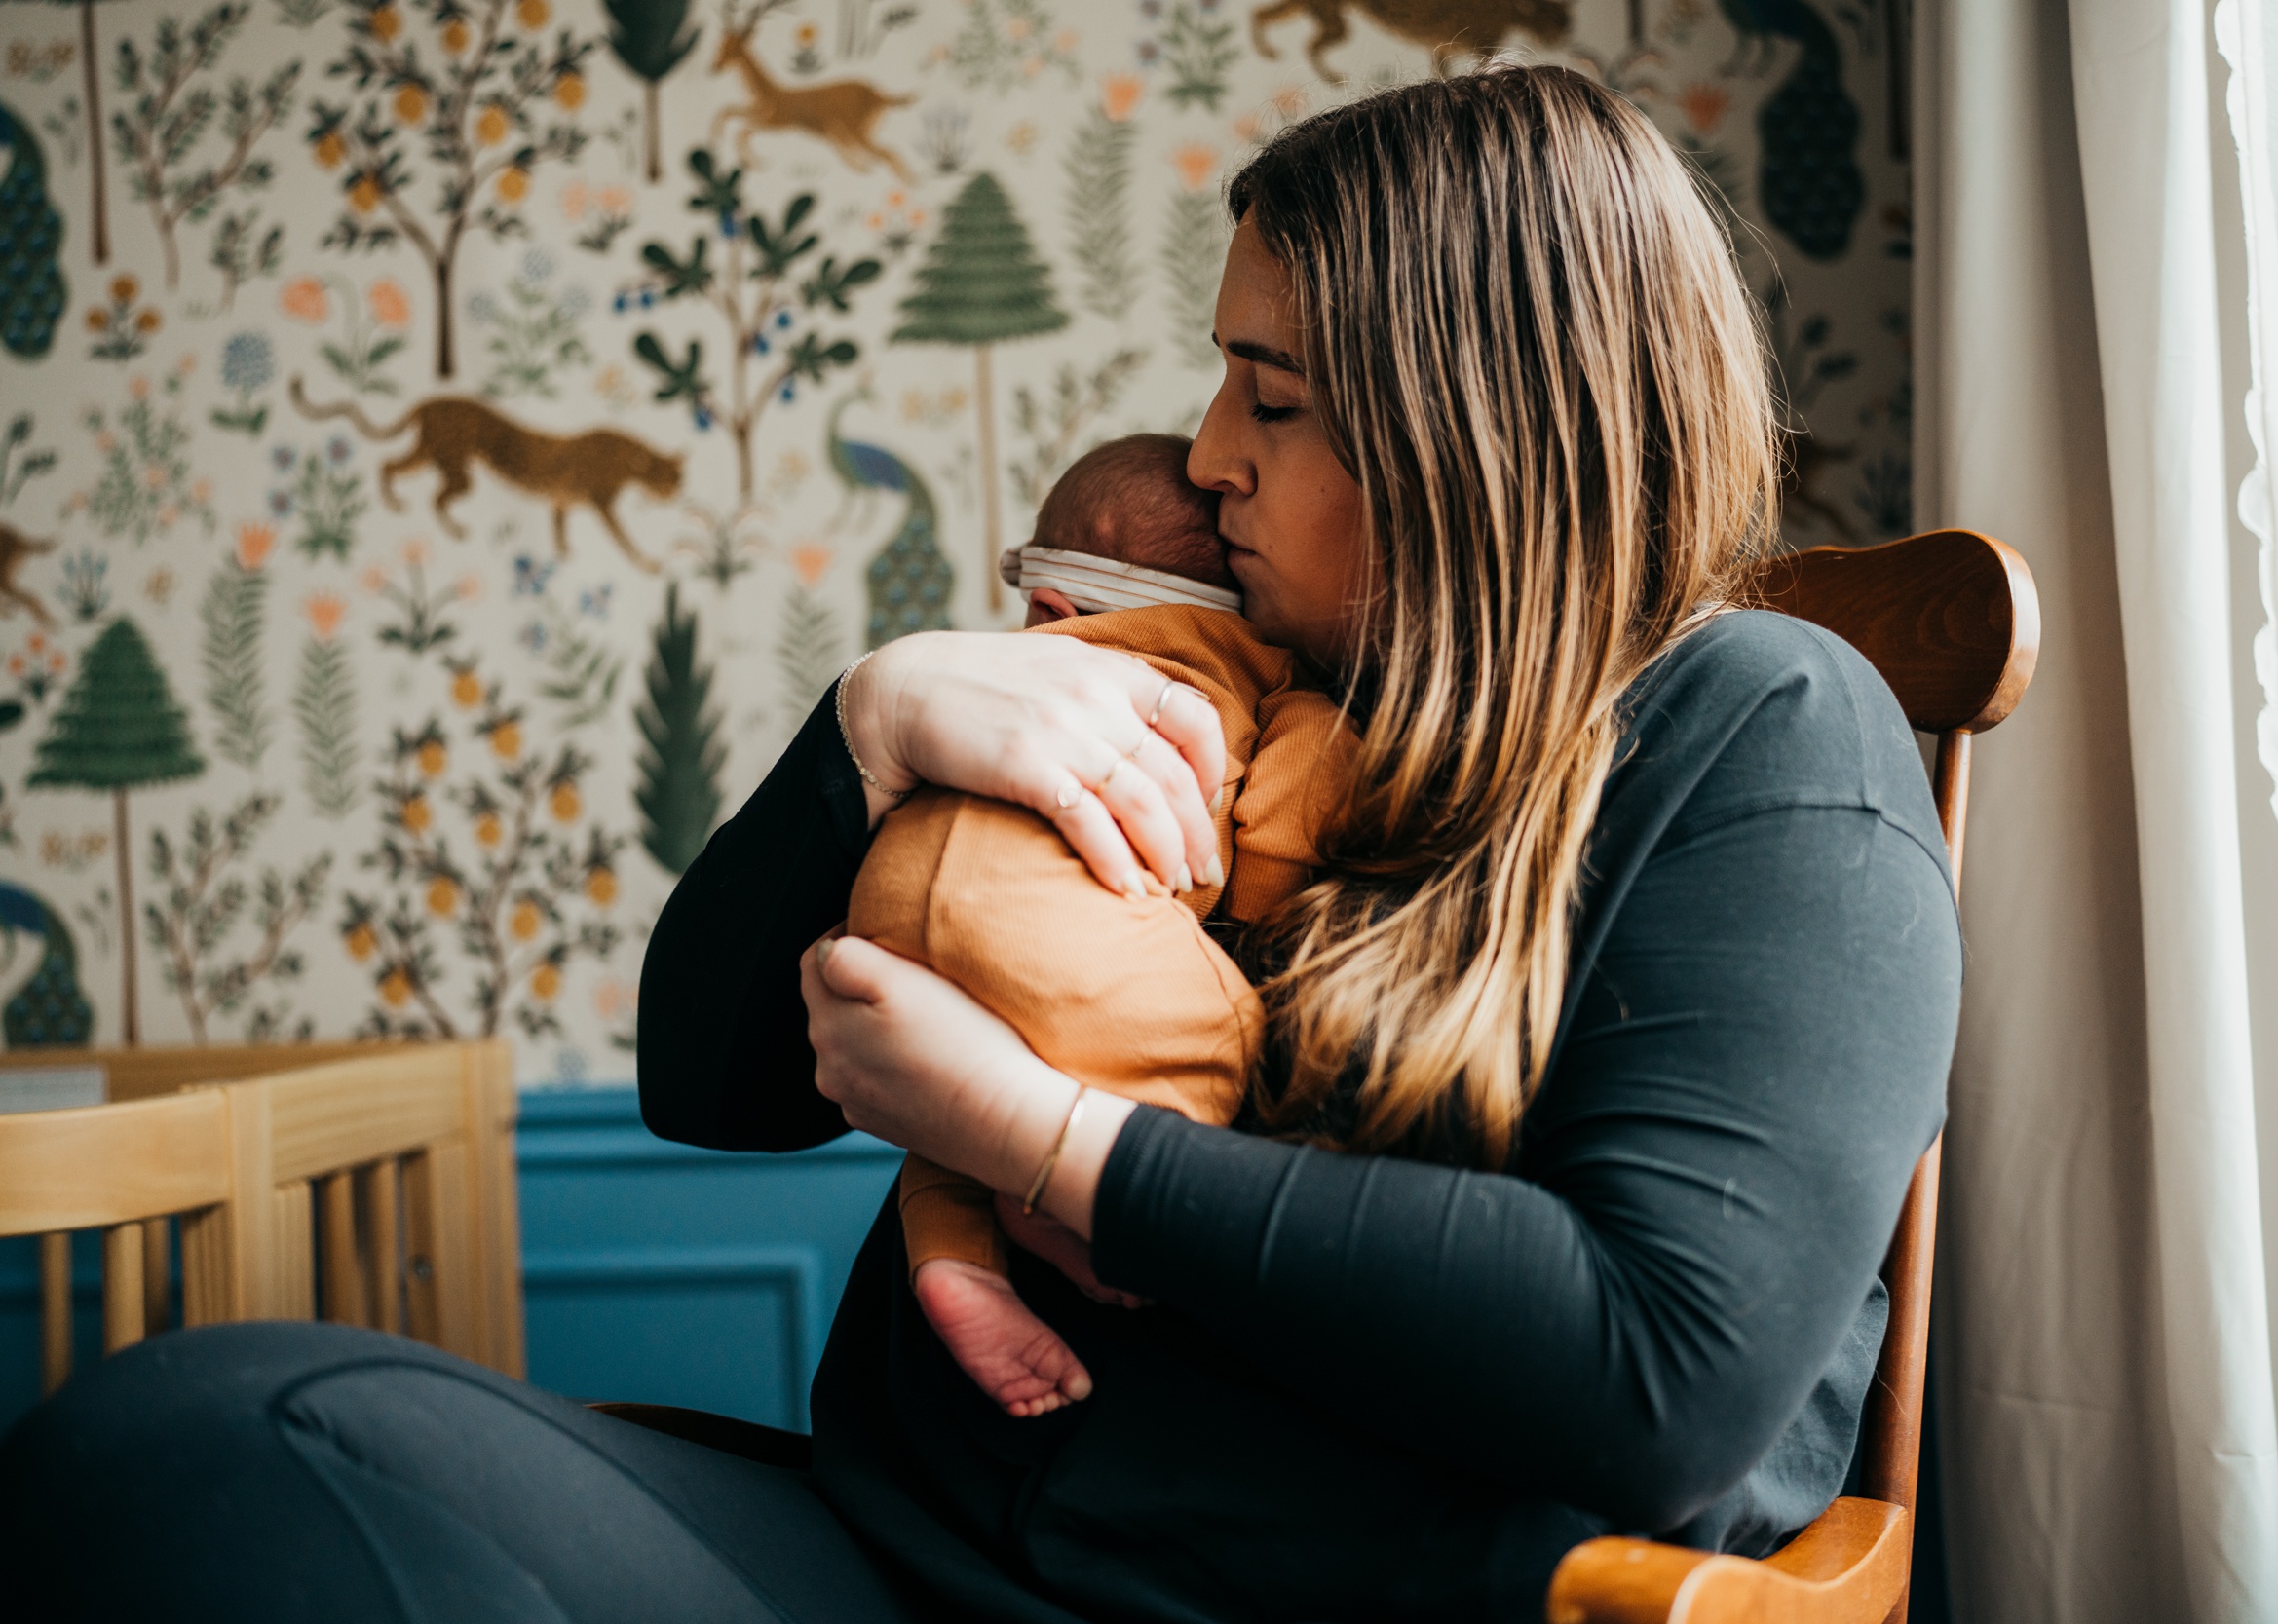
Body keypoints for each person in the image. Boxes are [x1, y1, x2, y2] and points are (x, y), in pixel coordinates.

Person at [0, 67, 1960, 1624]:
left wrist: (1048, 1138)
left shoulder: (1756, 735)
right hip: (892, 1541)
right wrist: (868, 732)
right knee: (195, 1427)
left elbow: (1660, 1372)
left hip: (1273, 1593)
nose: (1202, 454)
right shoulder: (1234, 693)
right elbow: (714, 1084)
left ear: (1475, 432)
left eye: (1267, 396)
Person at [869, 432, 1353, 1419]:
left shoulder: (979, 685)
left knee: (945, 1106)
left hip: (889, 904)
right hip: (1064, 939)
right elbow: (1270, 830)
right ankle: (1067, 1202)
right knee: (1220, 1027)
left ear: (1049, 609)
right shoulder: (1234, 681)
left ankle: (955, 1255)